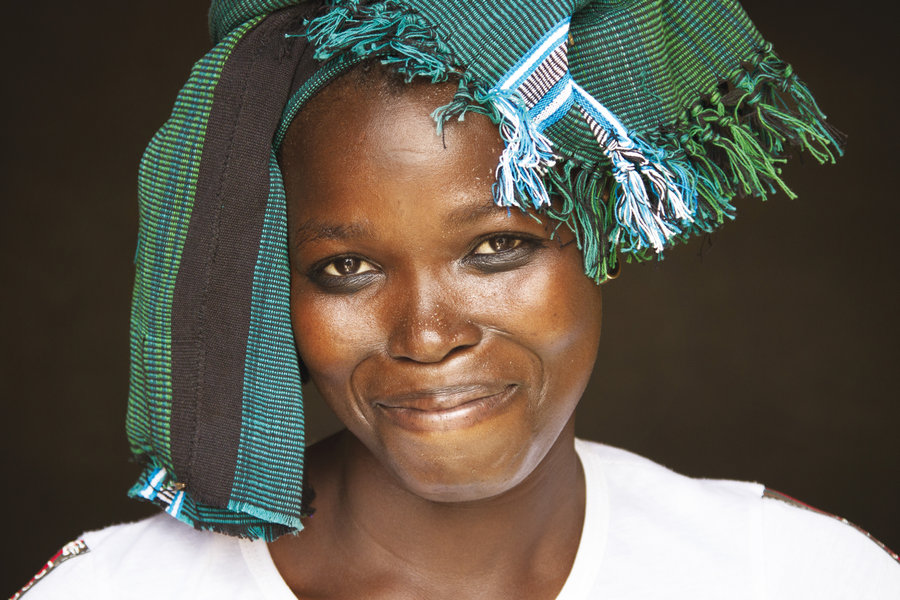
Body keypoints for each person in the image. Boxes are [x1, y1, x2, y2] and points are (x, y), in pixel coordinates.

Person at [12, 0, 899, 598]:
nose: (427, 334)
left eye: (496, 247)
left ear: (601, 240)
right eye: (346, 269)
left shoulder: (791, 576)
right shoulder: (119, 592)